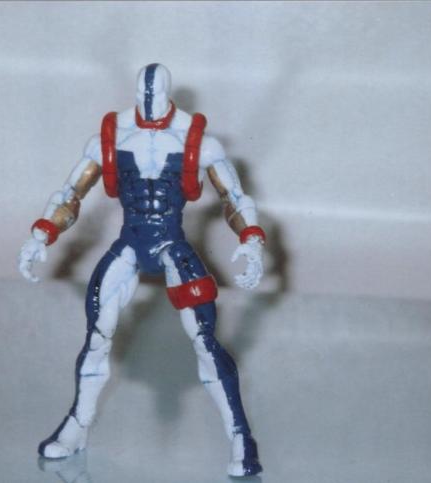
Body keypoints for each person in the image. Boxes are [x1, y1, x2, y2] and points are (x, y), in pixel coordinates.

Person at [19, 63, 266, 477]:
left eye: (155, 96)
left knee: (204, 341)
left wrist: (252, 239)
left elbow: (235, 197)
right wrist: (41, 235)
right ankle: (77, 425)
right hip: (130, 243)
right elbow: (70, 194)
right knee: (97, 335)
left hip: (172, 243)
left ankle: (241, 436)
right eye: (141, 96)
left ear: (168, 94)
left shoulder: (199, 142)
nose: (148, 103)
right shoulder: (111, 137)